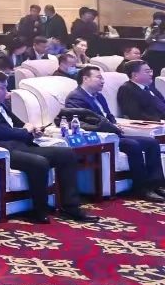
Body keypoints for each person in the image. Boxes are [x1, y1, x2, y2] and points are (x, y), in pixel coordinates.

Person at [0, 69, 92, 223]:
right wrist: (25, 131)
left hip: (18, 146)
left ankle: (71, 207)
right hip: (1, 151)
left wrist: (33, 131)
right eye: (2, 88)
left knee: (67, 154)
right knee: (39, 162)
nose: (6, 92)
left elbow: (17, 124)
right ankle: (39, 210)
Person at [64, 65, 164, 201]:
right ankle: (141, 188)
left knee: (151, 143)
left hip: (115, 133)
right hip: (103, 137)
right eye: (99, 78)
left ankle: (156, 185)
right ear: (85, 79)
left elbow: (109, 115)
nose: (103, 81)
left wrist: (115, 124)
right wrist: (110, 128)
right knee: (133, 145)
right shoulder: (76, 98)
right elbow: (80, 123)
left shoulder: (99, 96)